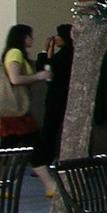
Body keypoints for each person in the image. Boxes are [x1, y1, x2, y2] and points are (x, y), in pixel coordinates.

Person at [0, 24, 51, 159]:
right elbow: (14, 79)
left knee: (7, 145)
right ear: (23, 37)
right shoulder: (15, 53)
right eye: (30, 36)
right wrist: (37, 77)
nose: (32, 39)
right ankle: (48, 179)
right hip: (17, 107)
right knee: (35, 145)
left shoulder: (16, 53)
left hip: (16, 108)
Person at [37, 24, 74, 163]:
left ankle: (44, 161)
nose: (56, 39)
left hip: (58, 98)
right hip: (64, 97)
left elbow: (45, 69)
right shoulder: (69, 53)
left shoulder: (64, 55)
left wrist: (43, 51)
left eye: (59, 36)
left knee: (49, 131)